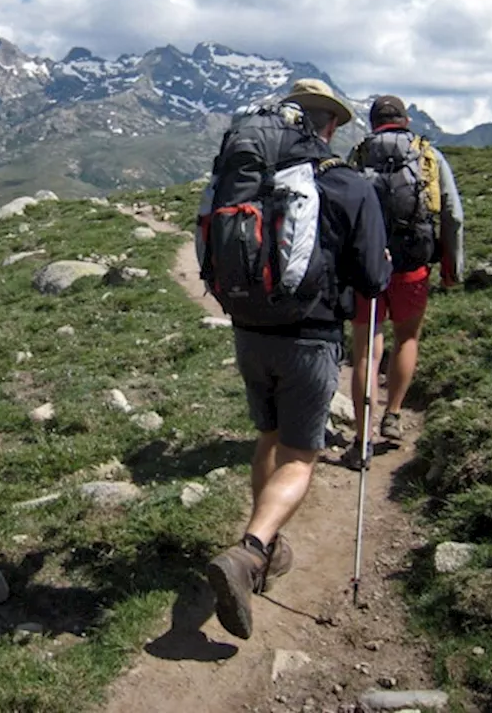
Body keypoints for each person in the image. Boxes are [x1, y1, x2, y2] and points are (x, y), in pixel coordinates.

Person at [204, 78, 391, 640]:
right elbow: (374, 279)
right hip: (310, 335)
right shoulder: (345, 184)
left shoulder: (241, 179)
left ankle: (267, 542)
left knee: (267, 437)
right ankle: (250, 550)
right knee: (302, 455)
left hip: (248, 329)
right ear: (327, 125)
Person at [343, 95, 463, 468]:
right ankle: (393, 415)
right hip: (413, 265)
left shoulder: (359, 154)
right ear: (406, 119)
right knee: (407, 337)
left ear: (373, 121)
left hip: (369, 265)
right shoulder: (427, 155)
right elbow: (452, 213)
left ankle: (361, 439)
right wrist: (451, 268)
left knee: (365, 349)